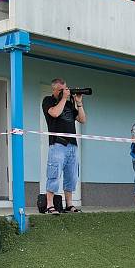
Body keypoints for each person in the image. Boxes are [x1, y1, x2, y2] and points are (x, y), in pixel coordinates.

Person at [41, 78, 86, 214]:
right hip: (58, 144)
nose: (64, 92)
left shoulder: (69, 103)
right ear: (54, 90)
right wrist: (63, 99)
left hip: (72, 145)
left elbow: (82, 119)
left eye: (65, 89)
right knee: (54, 174)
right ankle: (50, 205)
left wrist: (78, 103)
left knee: (71, 176)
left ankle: (69, 204)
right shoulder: (48, 100)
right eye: (61, 90)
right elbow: (54, 113)